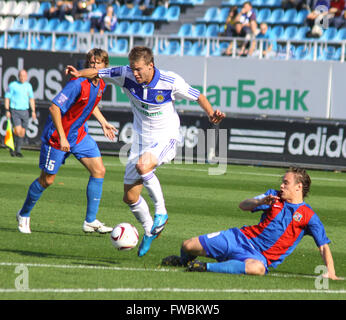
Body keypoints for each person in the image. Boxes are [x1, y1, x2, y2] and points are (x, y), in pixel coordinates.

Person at [65, 46, 225, 257]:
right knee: (130, 197)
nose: (135, 73)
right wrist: (78, 73)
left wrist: (211, 112)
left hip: (166, 137)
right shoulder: (125, 74)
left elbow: (198, 96)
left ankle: (161, 212)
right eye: (133, 69)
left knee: (143, 165)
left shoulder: (170, 81)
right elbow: (97, 72)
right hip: (141, 141)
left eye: (139, 69)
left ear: (151, 65)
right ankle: (150, 229)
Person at [162, 167, 339, 280]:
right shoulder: (273, 196)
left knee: (258, 269)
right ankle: (182, 261)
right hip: (239, 238)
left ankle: (205, 267)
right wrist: (260, 202)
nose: (282, 186)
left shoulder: (308, 216)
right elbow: (243, 205)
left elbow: (323, 246)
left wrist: (330, 272)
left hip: (258, 256)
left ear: (299, 187)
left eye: (286, 182)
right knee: (187, 245)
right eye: (282, 182)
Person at [16, 48, 117, 234]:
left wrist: (103, 123)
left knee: (99, 170)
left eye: (98, 63)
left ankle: (90, 221)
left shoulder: (101, 83)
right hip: (57, 137)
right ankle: (24, 214)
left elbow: (91, 105)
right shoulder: (77, 83)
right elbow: (54, 108)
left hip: (78, 135)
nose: (94, 66)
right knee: (47, 180)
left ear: (104, 66)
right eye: (92, 63)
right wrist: (62, 136)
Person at [4, 69, 36, 157]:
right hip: (15, 110)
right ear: (18, 76)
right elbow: (7, 98)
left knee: (22, 132)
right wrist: (7, 110)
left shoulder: (28, 86)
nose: (22, 77)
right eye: (21, 76)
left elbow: (31, 99)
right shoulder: (13, 85)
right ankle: (12, 148)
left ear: (26, 77)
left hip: (25, 111)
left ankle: (17, 150)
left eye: (24, 76)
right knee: (17, 131)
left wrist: (33, 111)